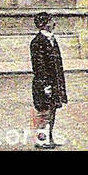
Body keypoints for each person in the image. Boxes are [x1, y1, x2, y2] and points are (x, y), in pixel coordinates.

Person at [30, 12, 68, 148]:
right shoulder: (37, 42)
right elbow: (39, 67)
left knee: (52, 112)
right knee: (44, 113)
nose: (54, 23)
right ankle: (41, 140)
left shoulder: (52, 39)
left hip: (54, 83)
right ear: (43, 24)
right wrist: (46, 85)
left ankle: (49, 138)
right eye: (51, 21)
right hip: (44, 84)